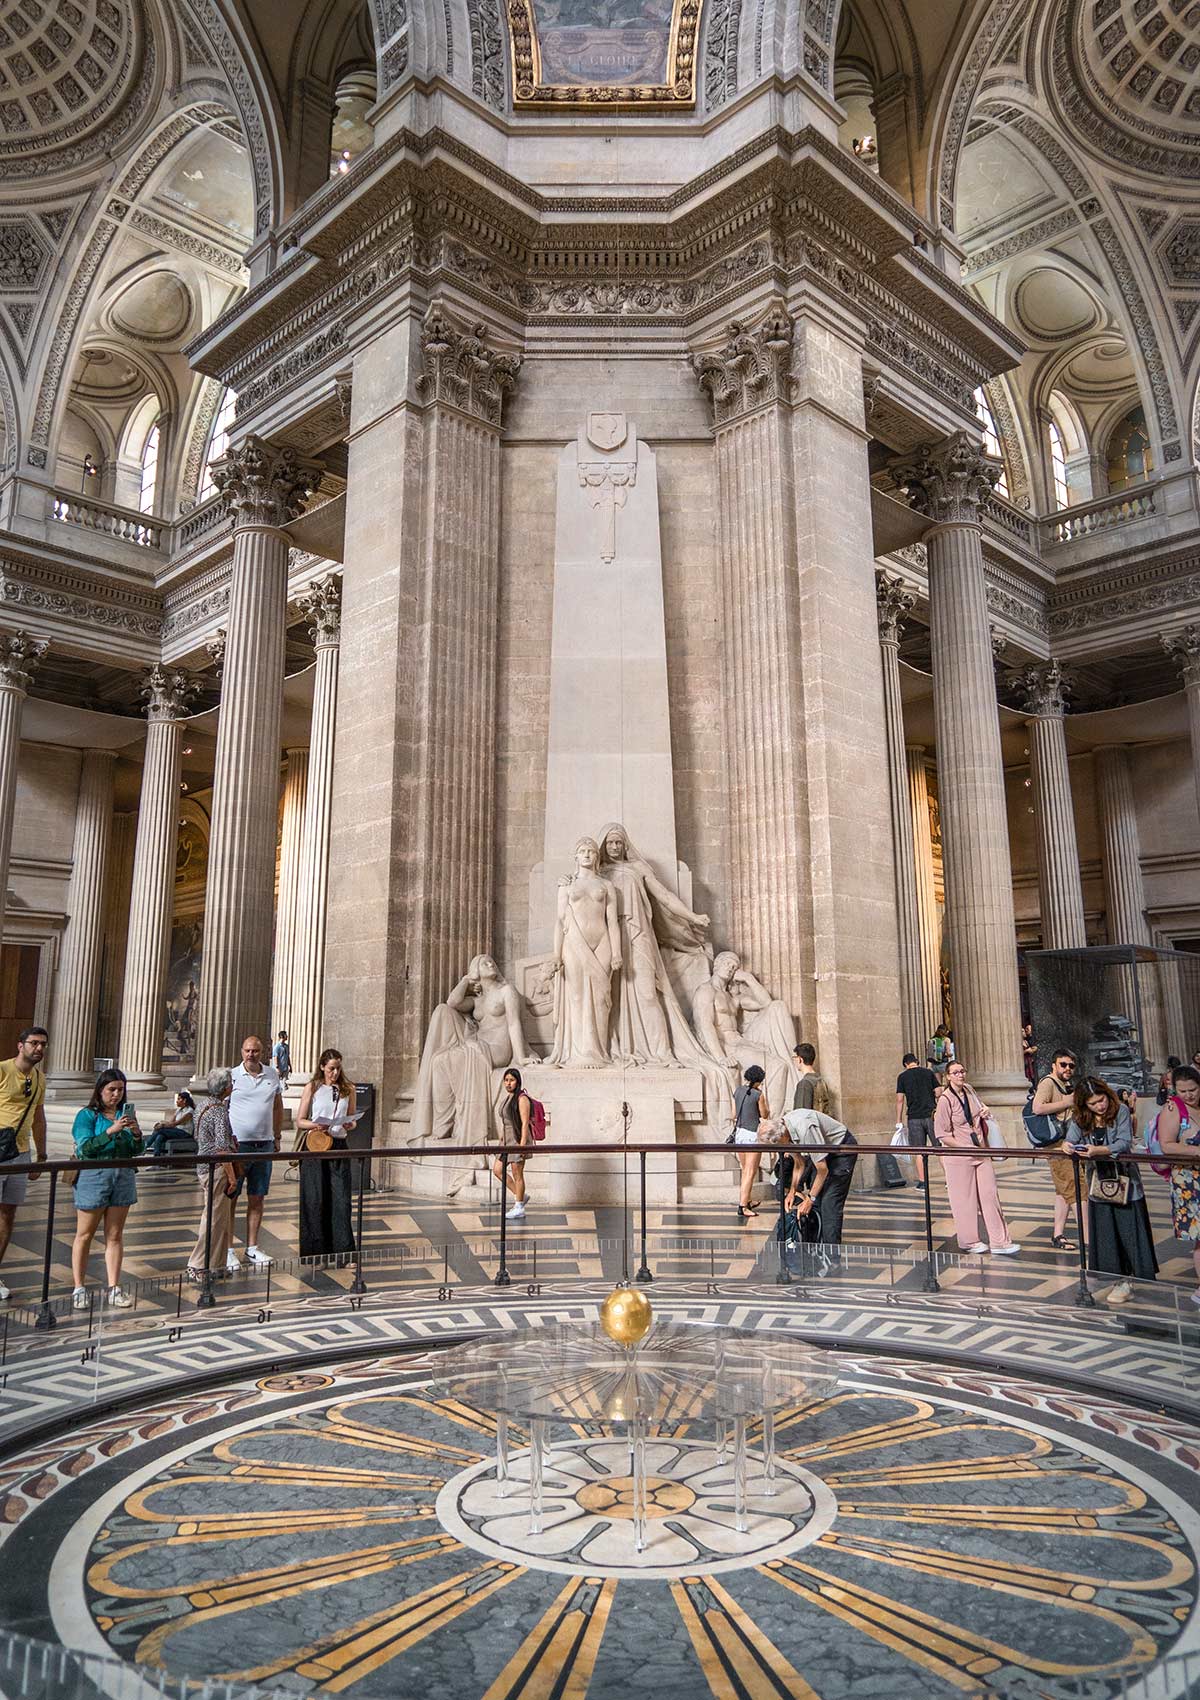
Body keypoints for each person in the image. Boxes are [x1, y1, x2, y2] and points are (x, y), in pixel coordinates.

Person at [1065, 1076, 1157, 1305]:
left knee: (1128, 1231)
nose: (1100, 1106)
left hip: (1125, 1183)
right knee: (1107, 1233)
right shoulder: (1080, 1118)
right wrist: (1067, 1145)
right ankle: (1117, 1279)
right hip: (1099, 1184)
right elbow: (1071, 1139)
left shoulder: (1121, 1111)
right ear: (1084, 1105)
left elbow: (1124, 1142)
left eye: (1101, 1100)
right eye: (1093, 1103)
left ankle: (1129, 1279)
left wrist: (1100, 1150)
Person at [69, 1068, 142, 1309]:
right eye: (111, 1090)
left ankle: (114, 1286)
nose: (116, 1095)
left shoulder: (125, 1115)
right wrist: (111, 1131)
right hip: (94, 1176)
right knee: (85, 1233)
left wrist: (136, 1134)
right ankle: (79, 1286)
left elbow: (135, 1151)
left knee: (115, 1235)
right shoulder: (87, 1115)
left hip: (122, 1176)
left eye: (120, 1090)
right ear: (100, 1090)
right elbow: (85, 1148)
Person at [548, 838, 622, 1067]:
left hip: (603, 942)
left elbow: (613, 921)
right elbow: (560, 921)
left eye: (591, 851)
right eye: (582, 851)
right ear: (576, 857)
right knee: (577, 995)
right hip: (573, 943)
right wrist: (556, 954)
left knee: (602, 998)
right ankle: (579, 1053)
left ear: (596, 857)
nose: (587, 854)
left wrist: (618, 952)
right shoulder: (567, 885)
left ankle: (598, 1052)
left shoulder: (606, 886)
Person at [933, 1060, 1019, 1255]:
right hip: (959, 1157)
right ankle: (969, 1241)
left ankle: (1000, 1241)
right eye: (955, 1072)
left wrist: (985, 1111)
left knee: (990, 1195)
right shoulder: (945, 1100)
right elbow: (941, 1133)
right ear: (948, 1076)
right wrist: (963, 1146)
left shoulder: (970, 1090)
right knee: (964, 1200)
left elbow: (979, 1108)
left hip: (980, 1151)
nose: (960, 1075)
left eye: (962, 1071)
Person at [0, 1026, 48, 1302]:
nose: (39, 1048)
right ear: (21, 1045)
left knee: (8, 1214)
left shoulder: (40, 1078)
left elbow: (38, 1118)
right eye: (34, 1043)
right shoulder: (3, 1070)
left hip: (20, 1152)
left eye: (43, 1044)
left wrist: (40, 1155)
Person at [226, 1035, 283, 1269]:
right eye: (248, 1050)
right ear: (242, 1051)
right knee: (231, 1197)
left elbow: (277, 1106)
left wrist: (277, 1135)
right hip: (238, 1145)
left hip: (264, 1143)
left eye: (256, 1051)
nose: (251, 1054)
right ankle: (228, 1249)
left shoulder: (272, 1075)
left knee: (257, 1197)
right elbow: (222, 1106)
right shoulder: (232, 1075)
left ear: (263, 1053)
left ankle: (252, 1248)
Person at [296, 1050, 356, 1261]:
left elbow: (352, 1118)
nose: (335, 1073)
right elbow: (300, 1120)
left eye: (338, 1068)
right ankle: (316, 1253)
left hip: (338, 1144)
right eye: (331, 1068)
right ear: (322, 1067)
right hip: (316, 1145)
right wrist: (316, 1124)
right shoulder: (312, 1088)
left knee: (341, 1200)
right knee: (315, 1198)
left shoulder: (349, 1089)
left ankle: (344, 1252)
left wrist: (351, 1123)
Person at [186, 1068, 240, 1284]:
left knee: (220, 1218)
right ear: (227, 1087)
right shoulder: (218, 1111)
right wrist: (233, 1177)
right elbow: (222, 1147)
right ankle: (198, 1264)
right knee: (213, 1218)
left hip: (204, 1164)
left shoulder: (202, 1105)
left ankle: (216, 1265)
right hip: (216, 1168)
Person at [781, 1105, 859, 1250]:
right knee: (815, 1205)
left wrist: (810, 1198)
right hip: (826, 1153)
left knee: (829, 1203)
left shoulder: (805, 1128)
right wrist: (792, 1191)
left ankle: (832, 1255)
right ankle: (815, 1249)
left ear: (781, 1137)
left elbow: (822, 1169)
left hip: (842, 1150)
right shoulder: (785, 1132)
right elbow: (799, 1163)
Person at [1156, 1063, 1200, 1309]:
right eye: (1182, 1091)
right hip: (1189, 1182)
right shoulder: (1173, 1109)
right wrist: (1196, 1151)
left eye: (1193, 1089)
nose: (1188, 1095)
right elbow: (1167, 1145)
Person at [1031, 1048, 1081, 1252]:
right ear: (1054, 1065)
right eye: (1063, 1064)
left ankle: (1058, 1234)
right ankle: (1089, 1236)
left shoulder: (1066, 1084)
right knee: (1076, 1189)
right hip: (1057, 1145)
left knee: (1063, 1191)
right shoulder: (1048, 1082)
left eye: (1071, 1065)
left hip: (1066, 1142)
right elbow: (1037, 1108)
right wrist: (1066, 1102)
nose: (1068, 1068)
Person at [492, 1067, 533, 1220]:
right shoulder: (507, 1098)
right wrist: (501, 1140)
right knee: (497, 1170)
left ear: (518, 1082)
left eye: (512, 1080)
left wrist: (522, 1145)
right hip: (506, 1141)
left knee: (517, 1173)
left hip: (517, 1139)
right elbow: (505, 1123)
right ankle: (520, 1194)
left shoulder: (522, 1099)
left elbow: (524, 1123)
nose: (508, 1083)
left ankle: (519, 1207)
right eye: (506, 1080)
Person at [895, 1052, 940, 1188]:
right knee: (940, 1149)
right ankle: (950, 1180)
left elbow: (900, 1100)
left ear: (905, 1064)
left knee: (920, 1151)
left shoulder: (902, 1077)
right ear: (917, 1061)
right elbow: (939, 1092)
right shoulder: (928, 1073)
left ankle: (922, 1182)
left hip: (914, 1117)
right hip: (931, 1115)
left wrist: (898, 1120)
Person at [733, 1064, 768, 1223]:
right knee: (750, 1171)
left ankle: (747, 1200)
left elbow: (734, 1114)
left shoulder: (738, 1091)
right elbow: (764, 1114)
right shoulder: (758, 1094)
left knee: (744, 1169)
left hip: (739, 1135)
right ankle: (742, 1206)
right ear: (759, 1081)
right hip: (752, 1135)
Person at [145, 1091, 195, 1156]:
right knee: (159, 1136)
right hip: (176, 1131)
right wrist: (161, 1123)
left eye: (179, 1099)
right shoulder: (179, 1110)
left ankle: (145, 1146)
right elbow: (171, 1122)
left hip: (185, 1133)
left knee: (159, 1130)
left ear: (184, 1100)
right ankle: (156, 1158)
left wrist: (162, 1126)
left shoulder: (190, 1111)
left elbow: (176, 1123)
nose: (177, 1101)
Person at [791, 1044, 831, 1114]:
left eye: (795, 1058)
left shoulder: (804, 1084)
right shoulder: (821, 1080)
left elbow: (801, 1116)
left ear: (800, 1059)